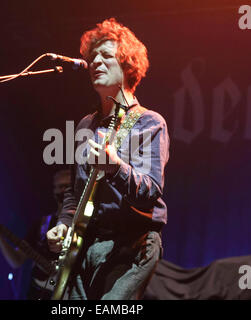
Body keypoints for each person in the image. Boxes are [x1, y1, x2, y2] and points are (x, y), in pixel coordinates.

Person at [46, 18, 170, 300]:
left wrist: (115, 168)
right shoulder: (85, 126)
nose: (95, 63)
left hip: (131, 245)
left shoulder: (148, 123)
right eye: (92, 58)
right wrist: (64, 223)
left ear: (127, 64)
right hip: (85, 244)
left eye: (105, 56)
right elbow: (74, 193)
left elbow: (150, 191)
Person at [0, 169, 71, 300]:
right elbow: (16, 260)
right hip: (39, 293)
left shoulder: (83, 225)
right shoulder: (42, 224)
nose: (62, 191)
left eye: (66, 186)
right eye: (58, 187)